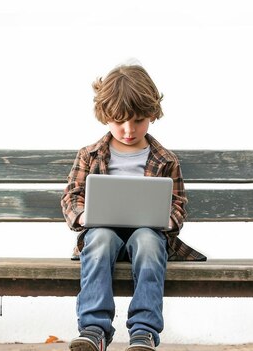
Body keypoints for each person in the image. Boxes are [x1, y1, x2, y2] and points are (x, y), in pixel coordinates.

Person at [61, 63, 206, 351]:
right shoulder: (90, 155)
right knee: (100, 237)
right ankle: (94, 329)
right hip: (103, 234)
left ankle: (144, 331)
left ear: (152, 114)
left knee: (149, 242)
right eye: (120, 121)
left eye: (139, 121)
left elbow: (178, 205)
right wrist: (85, 215)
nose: (129, 130)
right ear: (105, 116)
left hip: (148, 235)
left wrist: (167, 219)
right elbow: (72, 197)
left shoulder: (165, 159)